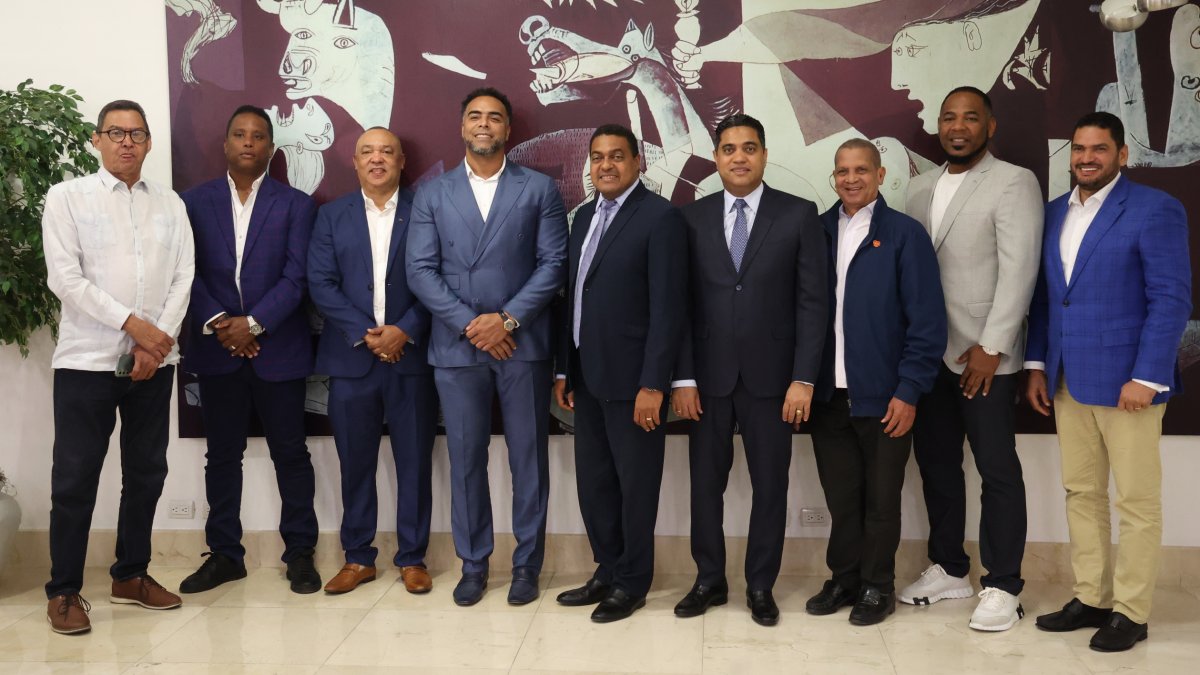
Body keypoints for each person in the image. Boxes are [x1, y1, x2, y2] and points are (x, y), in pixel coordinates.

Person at [1025, 112, 1191, 652]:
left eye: (1099, 149)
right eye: (1079, 148)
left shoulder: (1155, 209)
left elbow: (1171, 299)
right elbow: (1048, 299)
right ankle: (1092, 597)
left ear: (1122, 154)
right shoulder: (1054, 212)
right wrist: (1036, 365)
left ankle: (1131, 612)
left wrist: (1147, 376)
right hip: (1067, 379)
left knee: (1136, 501)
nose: (1086, 158)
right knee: (1082, 493)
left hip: (1129, 385)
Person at [406, 88, 568, 606]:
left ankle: (526, 566)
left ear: (507, 130)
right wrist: (472, 325)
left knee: (528, 460)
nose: (484, 124)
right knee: (465, 459)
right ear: (462, 127)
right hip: (458, 347)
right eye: (474, 116)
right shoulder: (433, 193)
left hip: (522, 343)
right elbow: (420, 271)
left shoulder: (539, 188)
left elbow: (553, 265)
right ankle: (473, 564)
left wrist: (507, 320)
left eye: (494, 117)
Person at [41, 99, 194, 634]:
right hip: (86, 362)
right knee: (75, 478)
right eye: (116, 133)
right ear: (96, 140)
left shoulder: (170, 204)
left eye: (137, 134)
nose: (127, 142)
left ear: (149, 142)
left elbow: (184, 275)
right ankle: (64, 591)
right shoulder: (67, 198)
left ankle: (131, 574)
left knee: (147, 473)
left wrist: (155, 344)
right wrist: (135, 326)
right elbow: (66, 279)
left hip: (154, 364)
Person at [669, 114, 827, 626]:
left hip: (774, 381)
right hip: (706, 379)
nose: (739, 157)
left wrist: (803, 378)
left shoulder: (798, 214)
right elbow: (679, 306)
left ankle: (761, 585)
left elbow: (813, 304)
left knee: (770, 487)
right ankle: (708, 580)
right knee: (704, 486)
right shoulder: (690, 218)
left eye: (750, 147)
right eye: (729, 148)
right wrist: (683, 378)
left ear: (764, 154)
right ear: (716, 157)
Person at [900, 85, 1043, 632]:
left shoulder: (1013, 181)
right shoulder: (918, 187)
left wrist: (993, 346)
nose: (957, 127)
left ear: (990, 125)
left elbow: (1020, 268)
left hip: (984, 357)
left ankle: (1003, 584)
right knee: (937, 465)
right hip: (928, 356)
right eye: (948, 117)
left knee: (996, 468)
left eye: (970, 118)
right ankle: (950, 568)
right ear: (938, 124)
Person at [179, 104, 320, 596]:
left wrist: (254, 324)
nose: (248, 142)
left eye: (258, 136)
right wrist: (222, 324)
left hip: (278, 349)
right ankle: (225, 555)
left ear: (270, 148)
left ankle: (300, 554)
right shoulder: (192, 203)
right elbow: (185, 271)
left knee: (291, 454)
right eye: (239, 134)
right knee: (222, 456)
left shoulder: (297, 204)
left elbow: (298, 276)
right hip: (216, 349)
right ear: (225, 143)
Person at [806, 139, 946, 626]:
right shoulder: (816, 231)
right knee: (842, 500)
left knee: (881, 502)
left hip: (886, 398)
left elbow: (927, 323)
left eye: (861, 170)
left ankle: (876, 586)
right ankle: (844, 579)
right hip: (828, 397)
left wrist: (909, 391)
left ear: (881, 175)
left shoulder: (904, 235)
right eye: (842, 171)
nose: (851, 179)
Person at [553, 124, 687, 623]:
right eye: (597, 157)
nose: (605, 165)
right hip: (586, 378)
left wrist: (654, 384)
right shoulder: (585, 216)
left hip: (635, 384)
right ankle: (607, 570)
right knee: (595, 485)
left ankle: (632, 582)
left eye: (616, 156)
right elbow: (574, 297)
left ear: (638, 162)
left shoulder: (660, 218)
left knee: (636, 489)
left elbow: (668, 310)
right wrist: (565, 369)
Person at [308, 127, 438, 595]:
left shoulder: (427, 209)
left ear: (402, 161)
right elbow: (321, 282)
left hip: (411, 357)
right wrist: (368, 334)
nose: (377, 159)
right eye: (368, 151)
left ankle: (413, 558)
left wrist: (406, 329)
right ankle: (358, 557)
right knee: (355, 463)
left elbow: (441, 278)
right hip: (352, 359)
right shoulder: (331, 215)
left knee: (414, 464)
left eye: (387, 151)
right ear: (355, 161)